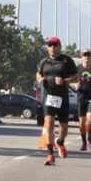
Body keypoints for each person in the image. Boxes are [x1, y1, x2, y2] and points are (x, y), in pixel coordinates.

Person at [37, 36, 78, 165]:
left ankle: (60, 141)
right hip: (48, 97)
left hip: (62, 98)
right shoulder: (44, 62)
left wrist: (64, 81)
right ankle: (50, 154)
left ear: (60, 46)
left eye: (55, 45)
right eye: (50, 45)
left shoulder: (67, 60)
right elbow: (38, 73)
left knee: (64, 128)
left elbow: (76, 77)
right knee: (48, 122)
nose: (52, 47)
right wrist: (39, 78)